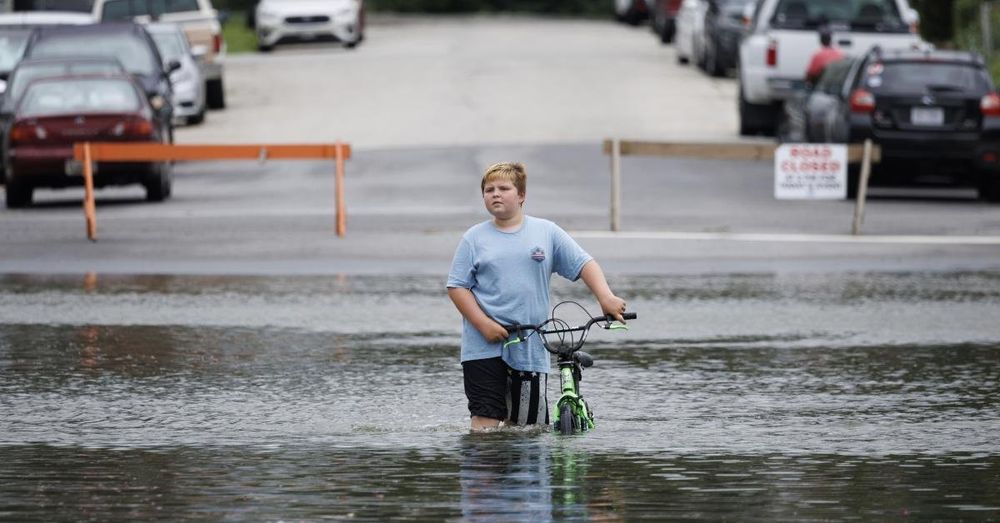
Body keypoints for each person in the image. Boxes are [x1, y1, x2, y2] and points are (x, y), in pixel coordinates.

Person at [446, 162, 627, 431]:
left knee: (527, 428)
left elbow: (584, 264)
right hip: (482, 347)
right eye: (488, 189)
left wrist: (606, 297)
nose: (495, 194)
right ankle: (484, 468)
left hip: (529, 345)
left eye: (504, 188)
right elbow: (457, 287)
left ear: (521, 195)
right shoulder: (474, 238)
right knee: (485, 423)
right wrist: (484, 325)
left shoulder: (546, 232)